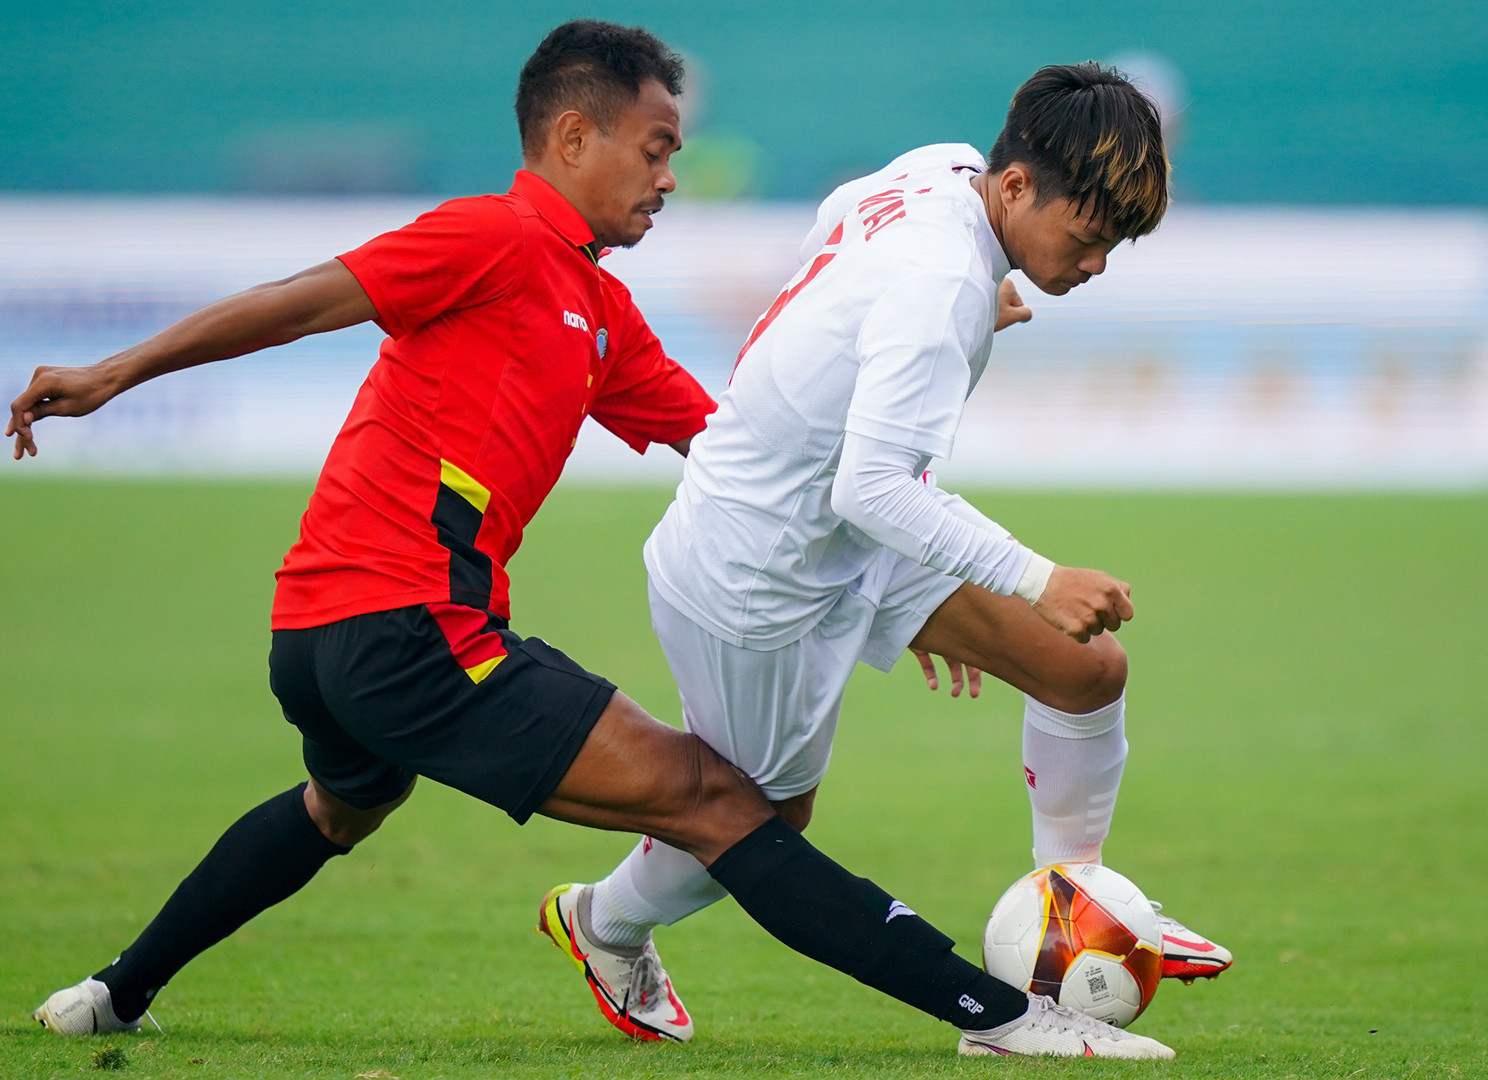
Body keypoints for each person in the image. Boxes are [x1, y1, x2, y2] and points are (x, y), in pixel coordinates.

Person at [10, 23, 1170, 1061]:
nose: (671, 177)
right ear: (573, 136)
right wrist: (115, 372)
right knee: (724, 806)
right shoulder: (488, 236)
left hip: (317, 629)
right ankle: (1004, 1018)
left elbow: (744, 446)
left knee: (338, 809)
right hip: (417, 632)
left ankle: (116, 993)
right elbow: (304, 299)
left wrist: (891, 582)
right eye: (656, 150)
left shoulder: (597, 313)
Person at [542, 62, 1231, 1051]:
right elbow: (873, 487)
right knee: (766, 818)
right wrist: (1041, 578)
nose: (1094, 268)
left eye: (1114, 247)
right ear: (1019, 188)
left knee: (1084, 672)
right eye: (1087, 241)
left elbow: (836, 235)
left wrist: (933, 325)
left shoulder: (943, 174)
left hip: (848, 531)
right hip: (758, 564)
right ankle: (602, 922)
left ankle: (1072, 902)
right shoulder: (938, 282)